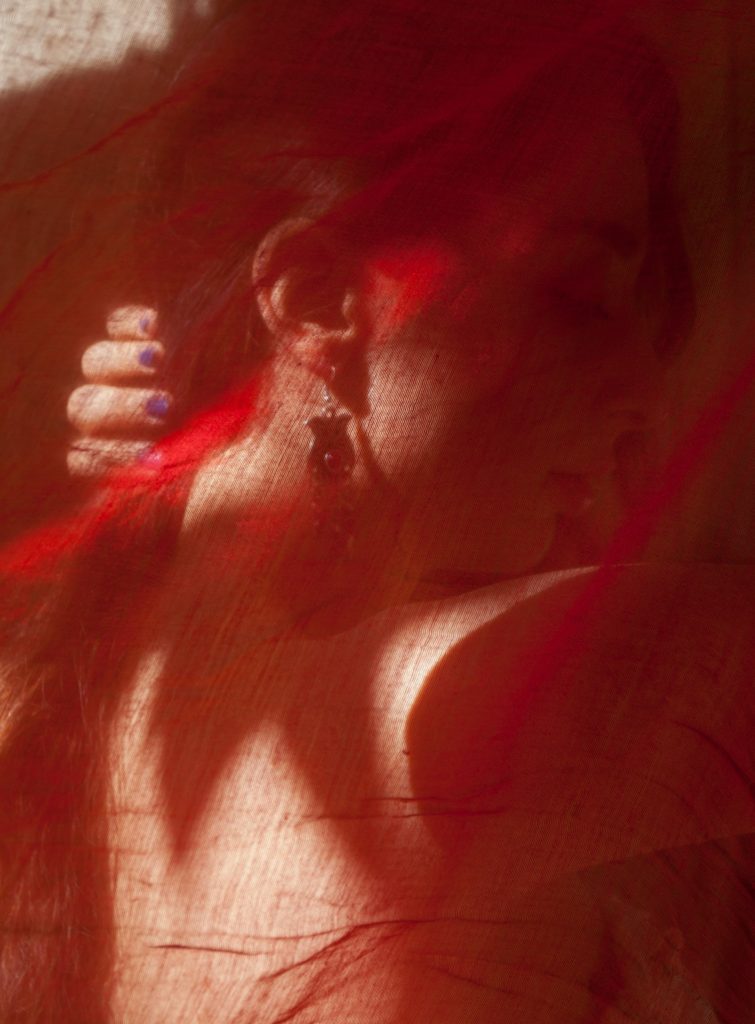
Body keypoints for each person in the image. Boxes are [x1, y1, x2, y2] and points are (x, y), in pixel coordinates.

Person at [2, 2, 752, 1022]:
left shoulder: (77, 700)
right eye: (577, 295)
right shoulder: (448, 705)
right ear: (316, 304)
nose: (642, 387)